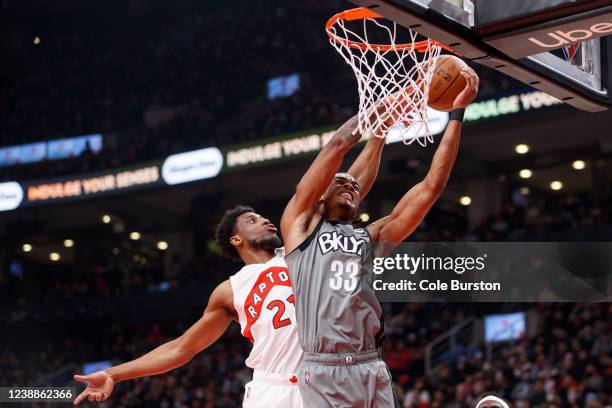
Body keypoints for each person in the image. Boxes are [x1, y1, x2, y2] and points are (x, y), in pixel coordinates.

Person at [72, 127, 387, 407]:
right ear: (236, 240)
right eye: (252, 220)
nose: (264, 219)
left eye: (262, 216)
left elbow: (349, 184)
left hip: (326, 381)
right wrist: (114, 373)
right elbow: (181, 348)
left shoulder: (301, 245)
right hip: (272, 391)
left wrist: (378, 136)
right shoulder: (229, 291)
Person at [281, 67, 480, 407]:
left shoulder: (370, 238)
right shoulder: (301, 228)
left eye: (353, 186)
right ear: (319, 196)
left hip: (371, 363)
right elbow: (338, 145)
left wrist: (457, 115)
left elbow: (431, 186)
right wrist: (396, 103)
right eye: (340, 183)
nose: (349, 185)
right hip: (325, 367)